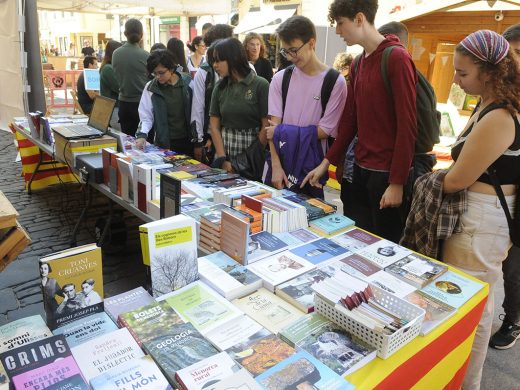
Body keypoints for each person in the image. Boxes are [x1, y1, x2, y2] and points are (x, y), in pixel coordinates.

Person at [440, 30, 519, 389]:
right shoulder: (489, 104)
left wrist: (428, 180)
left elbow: (457, 180)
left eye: (462, 73)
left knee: (471, 306)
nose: (455, 79)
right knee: (474, 301)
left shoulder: (500, 115)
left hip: (481, 221)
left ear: (490, 72)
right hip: (480, 218)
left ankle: (465, 382)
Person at [302, 0, 417, 243]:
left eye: (340, 24)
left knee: (385, 247)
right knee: (355, 241)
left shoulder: (397, 58)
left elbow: (407, 126)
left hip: (385, 175)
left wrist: (397, 182)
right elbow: (349, 121)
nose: (337, 31)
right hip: (358, 172)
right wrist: (327, 162)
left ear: (359, 19)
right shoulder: (358, 62)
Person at [265, 16, 347, 198]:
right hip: (280, 164)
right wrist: (276, 166)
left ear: (311, 43)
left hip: (312, 167)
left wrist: (281, 131)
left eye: (294, 50)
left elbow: (325, 130)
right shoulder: (280, 79)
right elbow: (272, 129)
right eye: (286, 52)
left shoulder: (335, 82)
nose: (291, 57)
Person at [489, 23, 520, 351]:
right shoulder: (499, 97)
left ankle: (512, 319)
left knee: (513, 267)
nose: (512, 61)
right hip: (499, 198)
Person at [209, 37, 269, 172]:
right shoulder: (219, 87)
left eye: (219, 60)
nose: (215, 65)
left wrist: (242, 161)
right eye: (214, 61)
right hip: (224, 156)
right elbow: (214, 126)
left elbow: (266, 126)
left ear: (233, 58)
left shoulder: (261, 85)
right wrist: (223, 159)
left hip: (251, 159)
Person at [136, 49, 195, 156]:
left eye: (161, 73)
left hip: (188, 141)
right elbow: (145, 116)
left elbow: (197, 112)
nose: (158, 77)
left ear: (171, 69)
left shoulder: (188, 83)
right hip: (164, 142)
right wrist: (142, 135)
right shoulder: (151, 87)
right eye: (154, 73)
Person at [191, 24, 235, 161]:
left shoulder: (248, 70)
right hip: (213, 140)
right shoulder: (204, 72)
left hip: (240, 141)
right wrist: (198, 141)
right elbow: (197, 108)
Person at [112, 18, 149, 135]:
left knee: (127, 143)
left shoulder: (116, 54)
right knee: (145, 142)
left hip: (123, 103)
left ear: (125, 34)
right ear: (142, 35)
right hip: (142, 103)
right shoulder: (146, 55)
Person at [100, 40, 122, 130]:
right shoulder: (108, 69)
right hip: (114, 109)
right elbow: (119, 87)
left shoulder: (109, 67)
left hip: (114, 108)